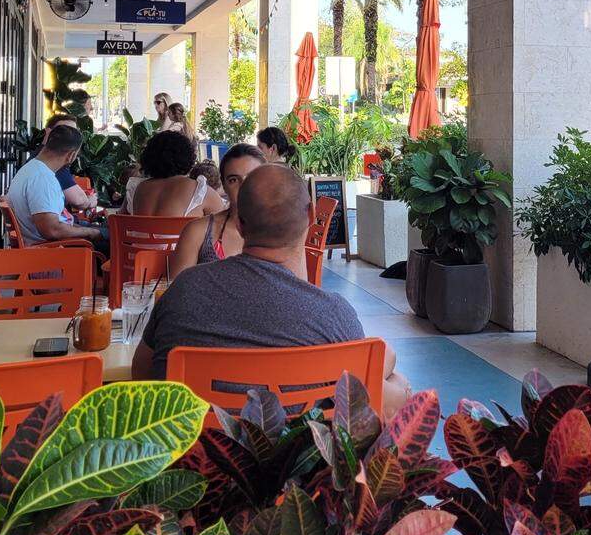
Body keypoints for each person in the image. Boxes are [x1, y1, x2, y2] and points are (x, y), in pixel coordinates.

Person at [133, 163, 411, 418]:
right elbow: (368, 406)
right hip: (293, 468)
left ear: (240, 225)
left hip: (192, 465)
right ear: (312, 216)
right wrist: (394, 375)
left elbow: (141, 375)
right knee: (390, 379)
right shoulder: (332, 314)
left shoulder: (184, 289)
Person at [5, 124, 107, 253]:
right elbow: (52, 230)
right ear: (71, 155)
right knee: (116, 243)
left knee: (105, 233)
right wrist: (90, 232)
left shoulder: (30, 169)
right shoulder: (43, 179)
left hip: (43, 244)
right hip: (49, 251)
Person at [168, 144, 264, 278]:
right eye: (233, 180)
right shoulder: (198, 231)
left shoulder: (284, 231)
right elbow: (177, 290)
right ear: (224, 186)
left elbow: (295, 291)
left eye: (252, 177)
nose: (244, 187)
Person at [124, 131, 225, 217]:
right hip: (183, 240)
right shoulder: (200, 191)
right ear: (188, 157)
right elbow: (225, 225)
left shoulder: (136, 189)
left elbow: (120, 221)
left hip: (139, 240)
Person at [38, 113, 98, 210]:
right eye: (63, 132)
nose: (69, 138)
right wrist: (90, 201)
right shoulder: (52, 163)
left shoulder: (37, 158)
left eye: (74, 133)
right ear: (49, 132)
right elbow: (78, 201)